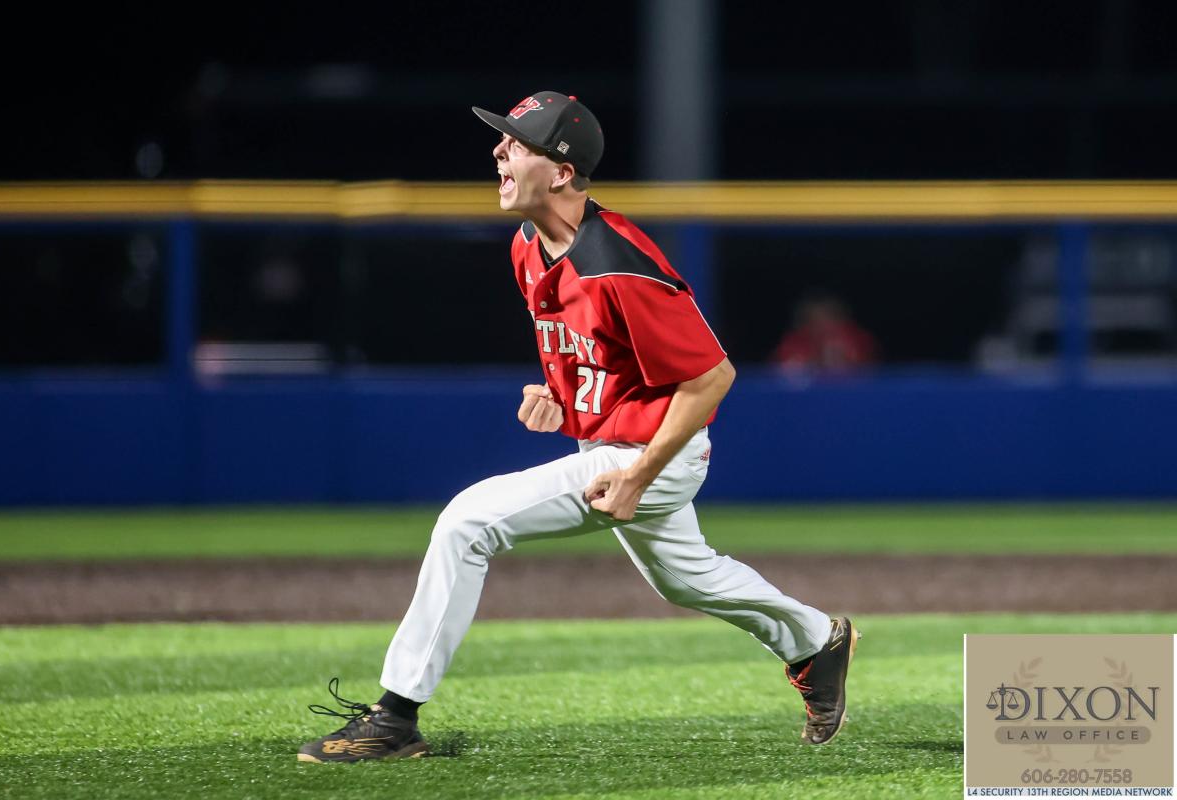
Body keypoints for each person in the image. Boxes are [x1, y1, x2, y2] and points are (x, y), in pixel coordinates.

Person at [296, 91, 859, 763]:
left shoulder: (618, 264)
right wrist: (557, 397)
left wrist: (639, 475)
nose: (498, 150)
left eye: (517, 143)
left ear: (562, 171)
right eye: (503, 139)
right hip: (616, 440)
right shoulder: (527, 246)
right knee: (686, 579)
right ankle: (815, 643)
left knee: (466, 522)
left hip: (653, 451)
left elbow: (712, 378)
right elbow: (598, 358)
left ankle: (394, 717)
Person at [771, 293, 879, 374]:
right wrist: (813, 363)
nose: (822, 325)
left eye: (828, 317)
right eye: (814, 320)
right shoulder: (793, 344)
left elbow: (871, 375)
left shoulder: (858, 340)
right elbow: (781, 377)